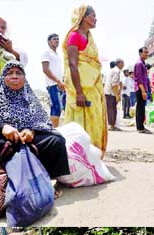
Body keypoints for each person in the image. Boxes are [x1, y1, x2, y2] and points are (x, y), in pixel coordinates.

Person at [0, 61, 68, 227]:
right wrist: (2, 127)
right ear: (3, 78)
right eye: (10, 73)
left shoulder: (30, 97)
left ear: (24, 77)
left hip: (25, 142)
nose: (14, 76)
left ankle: (50, 182)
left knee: (56, 140)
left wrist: (31, 131)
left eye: (18, 73)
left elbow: (42, 122)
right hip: (0, 142)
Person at [64, 5, 108, 155]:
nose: (96, 19)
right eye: (93, 15)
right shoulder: (74, 36)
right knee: (80, 123)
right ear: (83, 16)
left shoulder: (90, 38)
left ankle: (93, 155)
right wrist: (79, 92)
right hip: (81, 89)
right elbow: (72, 64)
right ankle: (79, 157)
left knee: (95, 119)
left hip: (93, 87)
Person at [41, 33, 66, 127]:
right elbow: (45, 69)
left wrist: (62, 81)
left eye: (58, 39)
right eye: (54, 39)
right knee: (56, 107)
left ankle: (54, 130)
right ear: (49, 41)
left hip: (60, 85)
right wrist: (58, 81)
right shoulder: (46, 53)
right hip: (52, 84)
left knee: (61, 108)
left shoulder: (58, 55)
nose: (57, 41)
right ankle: (53, 131)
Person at [133, 47, 151, 133]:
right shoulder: (139, 63)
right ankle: (140, 128)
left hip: (142, 88)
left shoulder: (143, 63)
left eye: (147, 52)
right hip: (140, 89)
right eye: (145, 52)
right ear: (140, 53)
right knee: (140, 108)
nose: (147, 54)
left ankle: (141, 126)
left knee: (141, 108)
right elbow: (139, 79)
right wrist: (143, 91)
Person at [104, 59, 123, 130]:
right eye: (122, 63)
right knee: (112, 109)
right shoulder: (116, 71)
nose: (123, 65)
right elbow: (114, 84)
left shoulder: (110, 71)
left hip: (107, 92)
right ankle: (112, 125)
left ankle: (111, 125)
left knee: (110, 109)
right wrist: (117, 95)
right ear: (118, 63)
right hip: (111, 93)